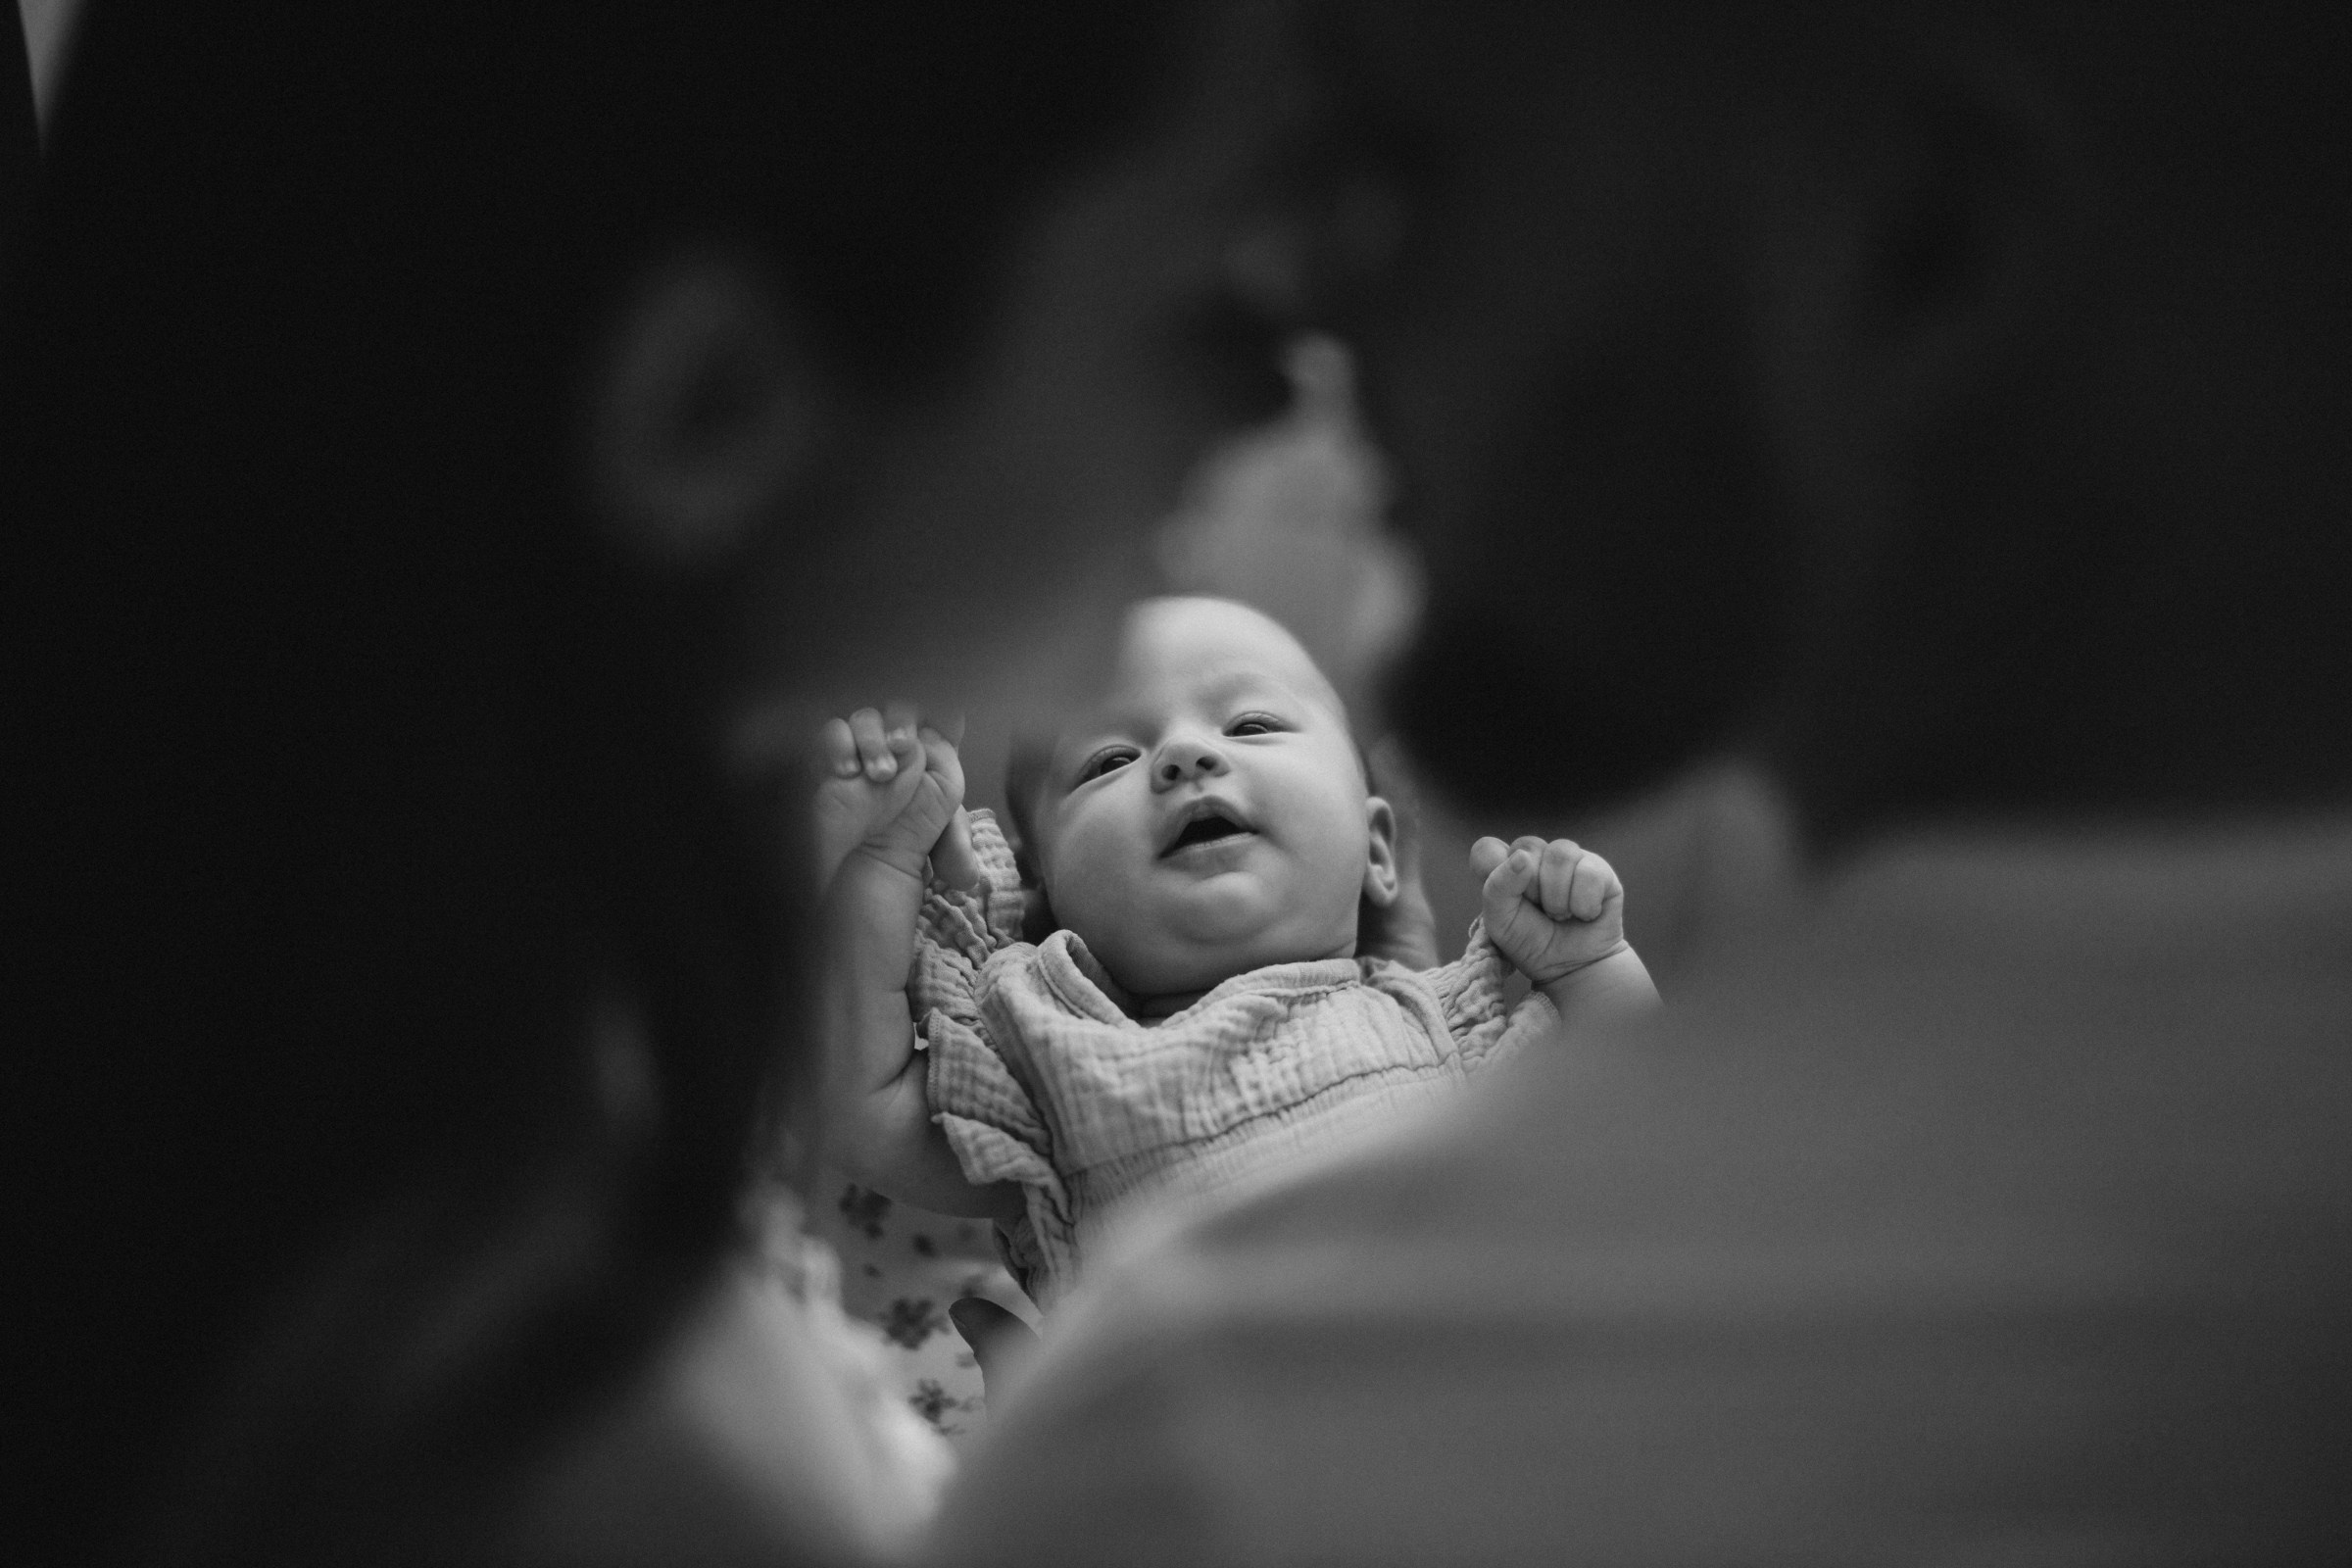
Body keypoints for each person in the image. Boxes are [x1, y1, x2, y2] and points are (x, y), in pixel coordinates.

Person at [930, 5, 2352, 1562]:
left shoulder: (1216, 1445)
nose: (1296, 340)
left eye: (1398, 172)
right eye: (1111, 759)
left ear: (1921, 240)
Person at [1, 3, 1314, 1563]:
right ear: (713, 404)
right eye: (1209, 293)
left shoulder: (393, 1115)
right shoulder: (596, 1458)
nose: (1277, 394)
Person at [811, 597, 1657, 1308]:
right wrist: (887, 854)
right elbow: (869, 1113)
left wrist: (1587, 968)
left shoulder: (1436, 1022)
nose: (1185, 754)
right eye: (1110, 760)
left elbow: (1628, 1118)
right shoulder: (1050, 1063)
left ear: (1374, 850)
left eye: (1250, 722)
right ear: (1046, 894)